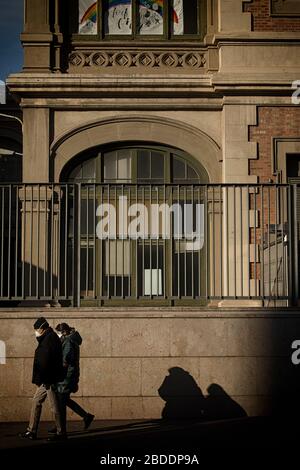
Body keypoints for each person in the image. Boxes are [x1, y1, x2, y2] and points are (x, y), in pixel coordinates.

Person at [19, 317, 66, 440]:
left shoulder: (50, 339)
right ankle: (31, 431)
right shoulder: (47, 338)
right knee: (36, 402)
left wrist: (45, 378)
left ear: (42, 328)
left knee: (54, 406)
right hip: (46, 379)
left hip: (49, 379)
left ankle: (61, 433)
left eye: (37, 329)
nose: (35, 331)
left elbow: (49, 361)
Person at [48, 322, 94, 434]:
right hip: (70, 375)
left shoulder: (68, 342)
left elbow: (65, 361)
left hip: (66, 377)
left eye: (59, 333)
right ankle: (85, 417)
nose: (58, 335)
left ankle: (61, 429)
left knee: (61, 402)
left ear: (64, 332)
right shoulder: (71, 340)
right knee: (64, 400)